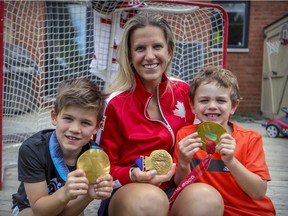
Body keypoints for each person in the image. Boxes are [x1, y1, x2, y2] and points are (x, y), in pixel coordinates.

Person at [97, 11, 224, 216]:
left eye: (157, 46)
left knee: (208, 198)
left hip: (175, 185)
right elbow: (101, 166)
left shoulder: (184, 91)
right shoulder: (114, 103)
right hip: (128, 190)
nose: (149, 56)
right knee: (151, 200)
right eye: (140, 48)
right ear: (129, 56)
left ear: (170, 51)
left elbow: (207, 136)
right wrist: (132, 174)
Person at [173, 66, 276, 215]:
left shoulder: (250, 138)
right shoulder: (186, 136)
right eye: (204, 100)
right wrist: (183, 162)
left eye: (221, 100)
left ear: (233, 106)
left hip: (249, 212)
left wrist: (231, 162)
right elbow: (181, 186)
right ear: (192, 106)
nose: (212, 106)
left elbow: (258, 192)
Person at [11, 78, 113, 216]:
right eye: (68, 119)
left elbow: (70, 212)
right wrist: (65, 193)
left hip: (69, 207)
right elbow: (39, 211)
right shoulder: (32, 150)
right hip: (30, 208)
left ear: (97, 127)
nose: (75, 129)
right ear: (54, 116)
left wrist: (90, 194)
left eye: (85, 123)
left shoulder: (95, 157)